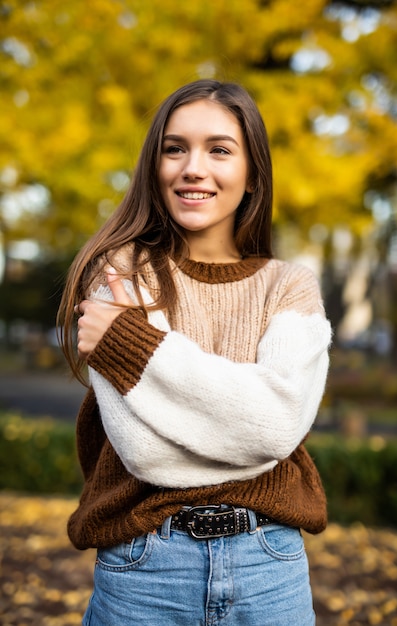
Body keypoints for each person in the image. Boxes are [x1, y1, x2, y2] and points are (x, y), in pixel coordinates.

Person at [58, 79, 332, 626]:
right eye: (174, 147)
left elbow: (276, 425)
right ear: (153, 165)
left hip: (269, 567)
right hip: (147, 570)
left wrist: (130, 345)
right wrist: (243, 427)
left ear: (253, 174)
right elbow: (145, 454)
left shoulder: (291, 286)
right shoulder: (120, 275)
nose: (192, 168)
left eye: (220, 149)